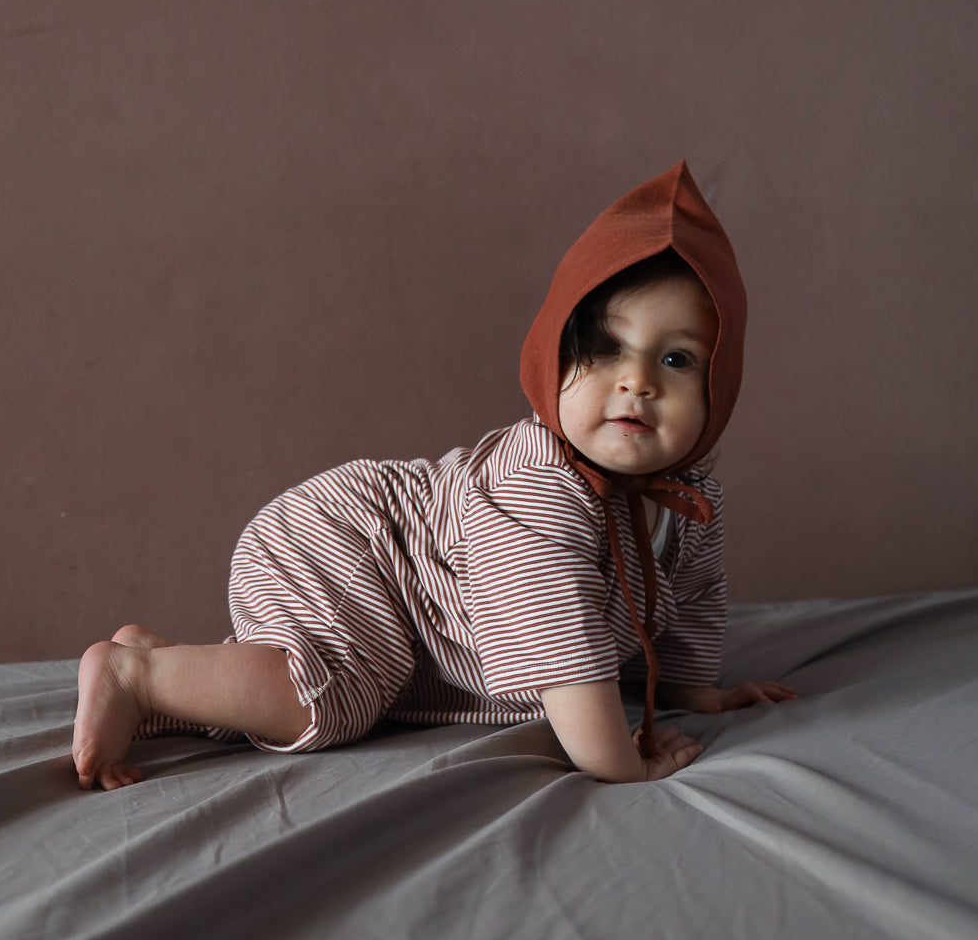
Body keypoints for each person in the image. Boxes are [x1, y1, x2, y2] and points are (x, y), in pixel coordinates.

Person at [73, 160, 795, 792]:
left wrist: (692, 691)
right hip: (353, 540)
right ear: (551, 359)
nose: (636, 382)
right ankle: (134, 678)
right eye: (606, 350)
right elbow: (565, 651)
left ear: (719, 385)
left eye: (675, 360)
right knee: (334, 698)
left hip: (399, 592)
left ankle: (167, 669)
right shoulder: (539, 488)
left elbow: (692, 599)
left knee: (365, 682)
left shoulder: (690, 497)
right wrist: (620, 763)